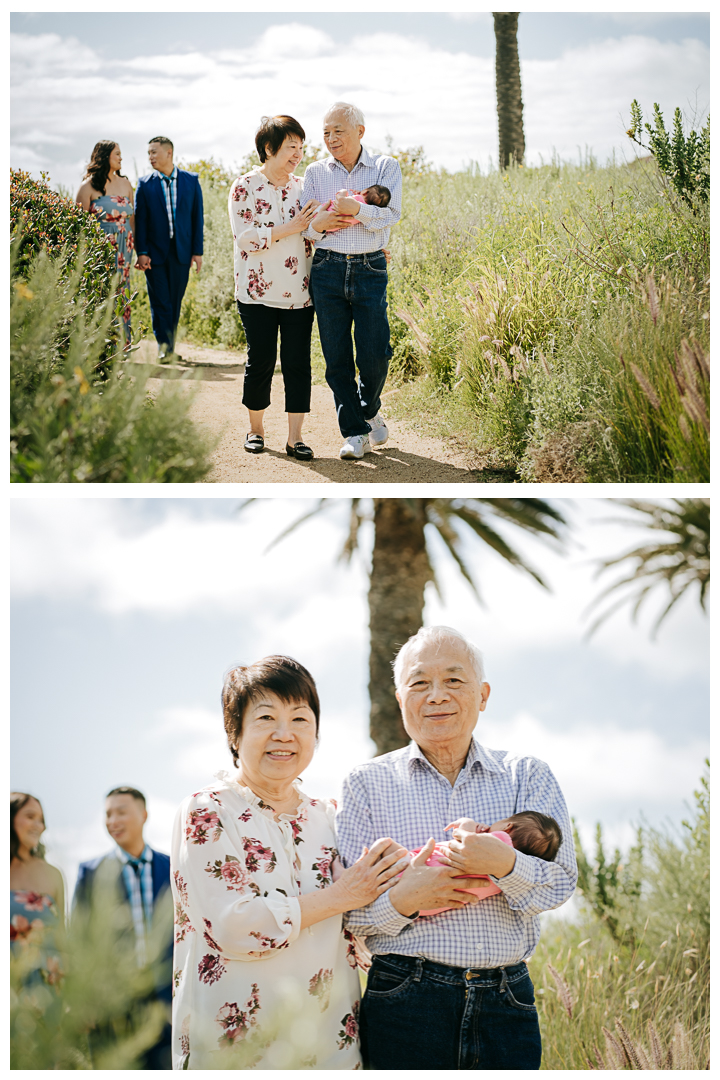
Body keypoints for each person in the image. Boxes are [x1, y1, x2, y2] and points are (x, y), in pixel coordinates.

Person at [336, 625, 578, 1071]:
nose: (436, 695)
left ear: (483, 695)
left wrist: (504, 863)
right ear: (399, 697)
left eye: (453, 680)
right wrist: (405, 899)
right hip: (404, 997)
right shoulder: (365, 784)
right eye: (419, 682)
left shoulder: (528, 775)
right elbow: (347, 912)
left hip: (507, 1001)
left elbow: (561, 883)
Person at [171, 656, 406, 1069]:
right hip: (236, 1053)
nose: (285, 734)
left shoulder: (332, 815)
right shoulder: (207, 810)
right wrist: (343, 895)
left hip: (331, 1048)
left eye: (300, 719)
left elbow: (370, 922)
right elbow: (233, 926)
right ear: (235, 731)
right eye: (266, 718)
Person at [301, 102, 402, 460]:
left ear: (360, 131)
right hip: (326, 268)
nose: (330, 139)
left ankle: (368, 407)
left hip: (370, 268)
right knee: (336, 357)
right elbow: (307, 227)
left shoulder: (385, 167)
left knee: (376, 352)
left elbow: (390, 215)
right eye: (326, 132)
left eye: (338, 131)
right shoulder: (314, 172)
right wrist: (322, 223)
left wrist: (354, 209)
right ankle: (354, 432)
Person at [228, 116, 321, 460]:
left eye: (301, 147)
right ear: (269, 149)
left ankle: (295, 438)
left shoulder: (304, 187)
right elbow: (247, 238)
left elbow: (315, 232)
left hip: (299, 292)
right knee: (261, 361)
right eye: (290, 147)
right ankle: (255, 430)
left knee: (298, 364)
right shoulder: (245, 186)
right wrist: (290, 226)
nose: (298, 154)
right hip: (256, 291)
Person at [73, 787, 173, 1069]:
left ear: (143, 815)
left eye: (121, 812)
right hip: (112, 1002)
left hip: (167, 1001)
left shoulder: (174, 867)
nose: (113, 820)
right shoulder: (90, 873)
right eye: (108, 814)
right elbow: (80, 940)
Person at [410, 810, 563, 915]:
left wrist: (467, 823)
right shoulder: (501, 881)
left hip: (418, 870)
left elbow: (466, 843)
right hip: (428, 907)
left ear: (507, 826)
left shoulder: (500, 842)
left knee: (389, 847)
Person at [134, 137, 204, 362]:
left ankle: (170, 347)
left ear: (169, 153)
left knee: (175, 300)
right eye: (149, 153)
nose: (150, 157)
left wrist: (197, 251)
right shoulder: (145, 184)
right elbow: (141, 221)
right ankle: (164, 347)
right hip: (154, 254)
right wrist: (141, 252)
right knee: (160, 300)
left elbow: (197, 218)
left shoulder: (191, 181)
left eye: (154, 152)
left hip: (182, 252)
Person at [75, 140, 135, 347]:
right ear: (105, 156)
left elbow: (132, 220)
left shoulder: (126, 184)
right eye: (117, 154)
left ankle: (122, 345)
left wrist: (135, 247)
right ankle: (97, 346)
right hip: (100, 250)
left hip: (124, 247)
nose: (120, 157)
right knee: (100, 293)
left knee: (122, 291)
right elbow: (79, 225)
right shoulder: (87, 186)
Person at [11, 792, 64, 987]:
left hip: (46, 993)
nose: (38, 826)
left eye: (41, 820)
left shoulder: (53, 875)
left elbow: (62, 941)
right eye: (30, 816)